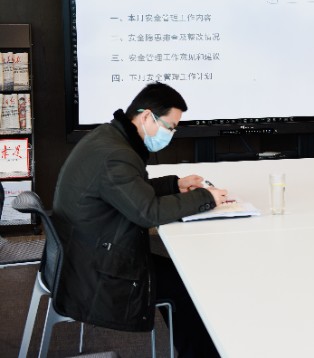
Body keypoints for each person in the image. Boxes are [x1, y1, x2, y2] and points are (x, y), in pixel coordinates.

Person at [52, 82, 227, 357]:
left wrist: (174, 185)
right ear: (146, 116)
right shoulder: (116, 155)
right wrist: (205, 197)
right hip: (95, 274)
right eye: (170, 127)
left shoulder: (109, 138)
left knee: (179, 275)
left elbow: (127, 192)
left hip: (87, 253)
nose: (172, 134)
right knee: (186, 286)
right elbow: (149, 213)